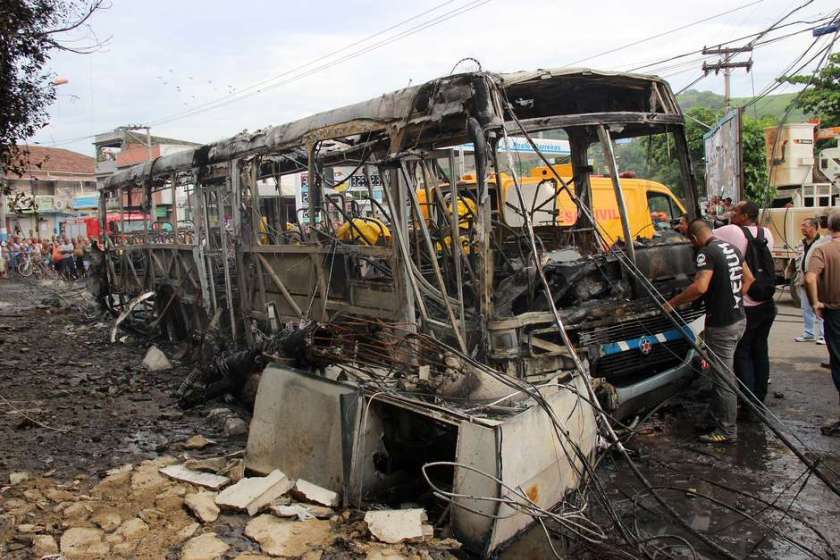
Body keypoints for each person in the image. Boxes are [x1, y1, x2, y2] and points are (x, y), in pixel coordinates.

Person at [667, 219, 754, 444]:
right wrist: (732, 299)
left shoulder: (707, 253)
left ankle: (727, 430)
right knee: (724, 372)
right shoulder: (731, 248)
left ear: (694, 238)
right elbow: (749, 279)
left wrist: (672, 304)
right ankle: (717, 418)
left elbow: (700, 286)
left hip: (722, 325)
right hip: (739, 319)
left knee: (723, 378)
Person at [714, 201, 776, 410]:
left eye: (735, 211)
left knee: (743, 353)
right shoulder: (766, 233)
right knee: (761, 350)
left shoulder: (732, 231)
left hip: (747, 305)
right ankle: (760, 397)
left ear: (745, 215)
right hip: (767, 304)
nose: (732, 214)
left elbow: (703, 234)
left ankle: (748, 403)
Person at [805, 210, 840, 437]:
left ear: (827, 227)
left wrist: (815, 302)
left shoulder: (823, 250)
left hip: (835, 314)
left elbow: (809, 278)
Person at [795, 217, 826, 344]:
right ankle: (809, 333)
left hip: (818, 281)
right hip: (804, 280)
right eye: (802, 225)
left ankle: (824, 335)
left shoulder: (823, 242)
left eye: (805, 225)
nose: (802, 228)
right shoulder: (801, 243)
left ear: (813, 227)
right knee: (806, 308)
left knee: (821, 308)